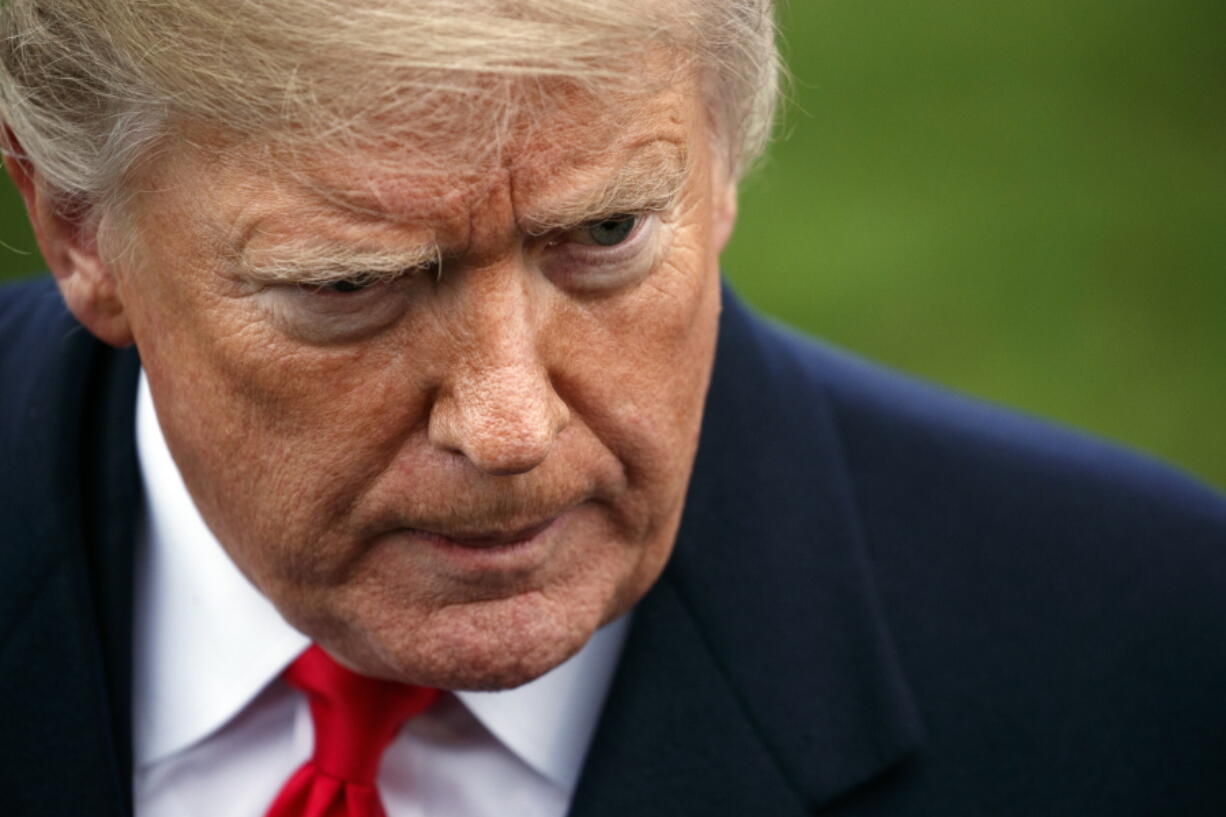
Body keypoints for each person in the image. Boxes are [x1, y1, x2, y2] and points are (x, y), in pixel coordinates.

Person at [1, 1, 1224, 815]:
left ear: (723, 162)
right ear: (75, 227)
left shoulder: (1150, 662)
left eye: (603, 234)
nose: (508, 425)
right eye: (347, 285)